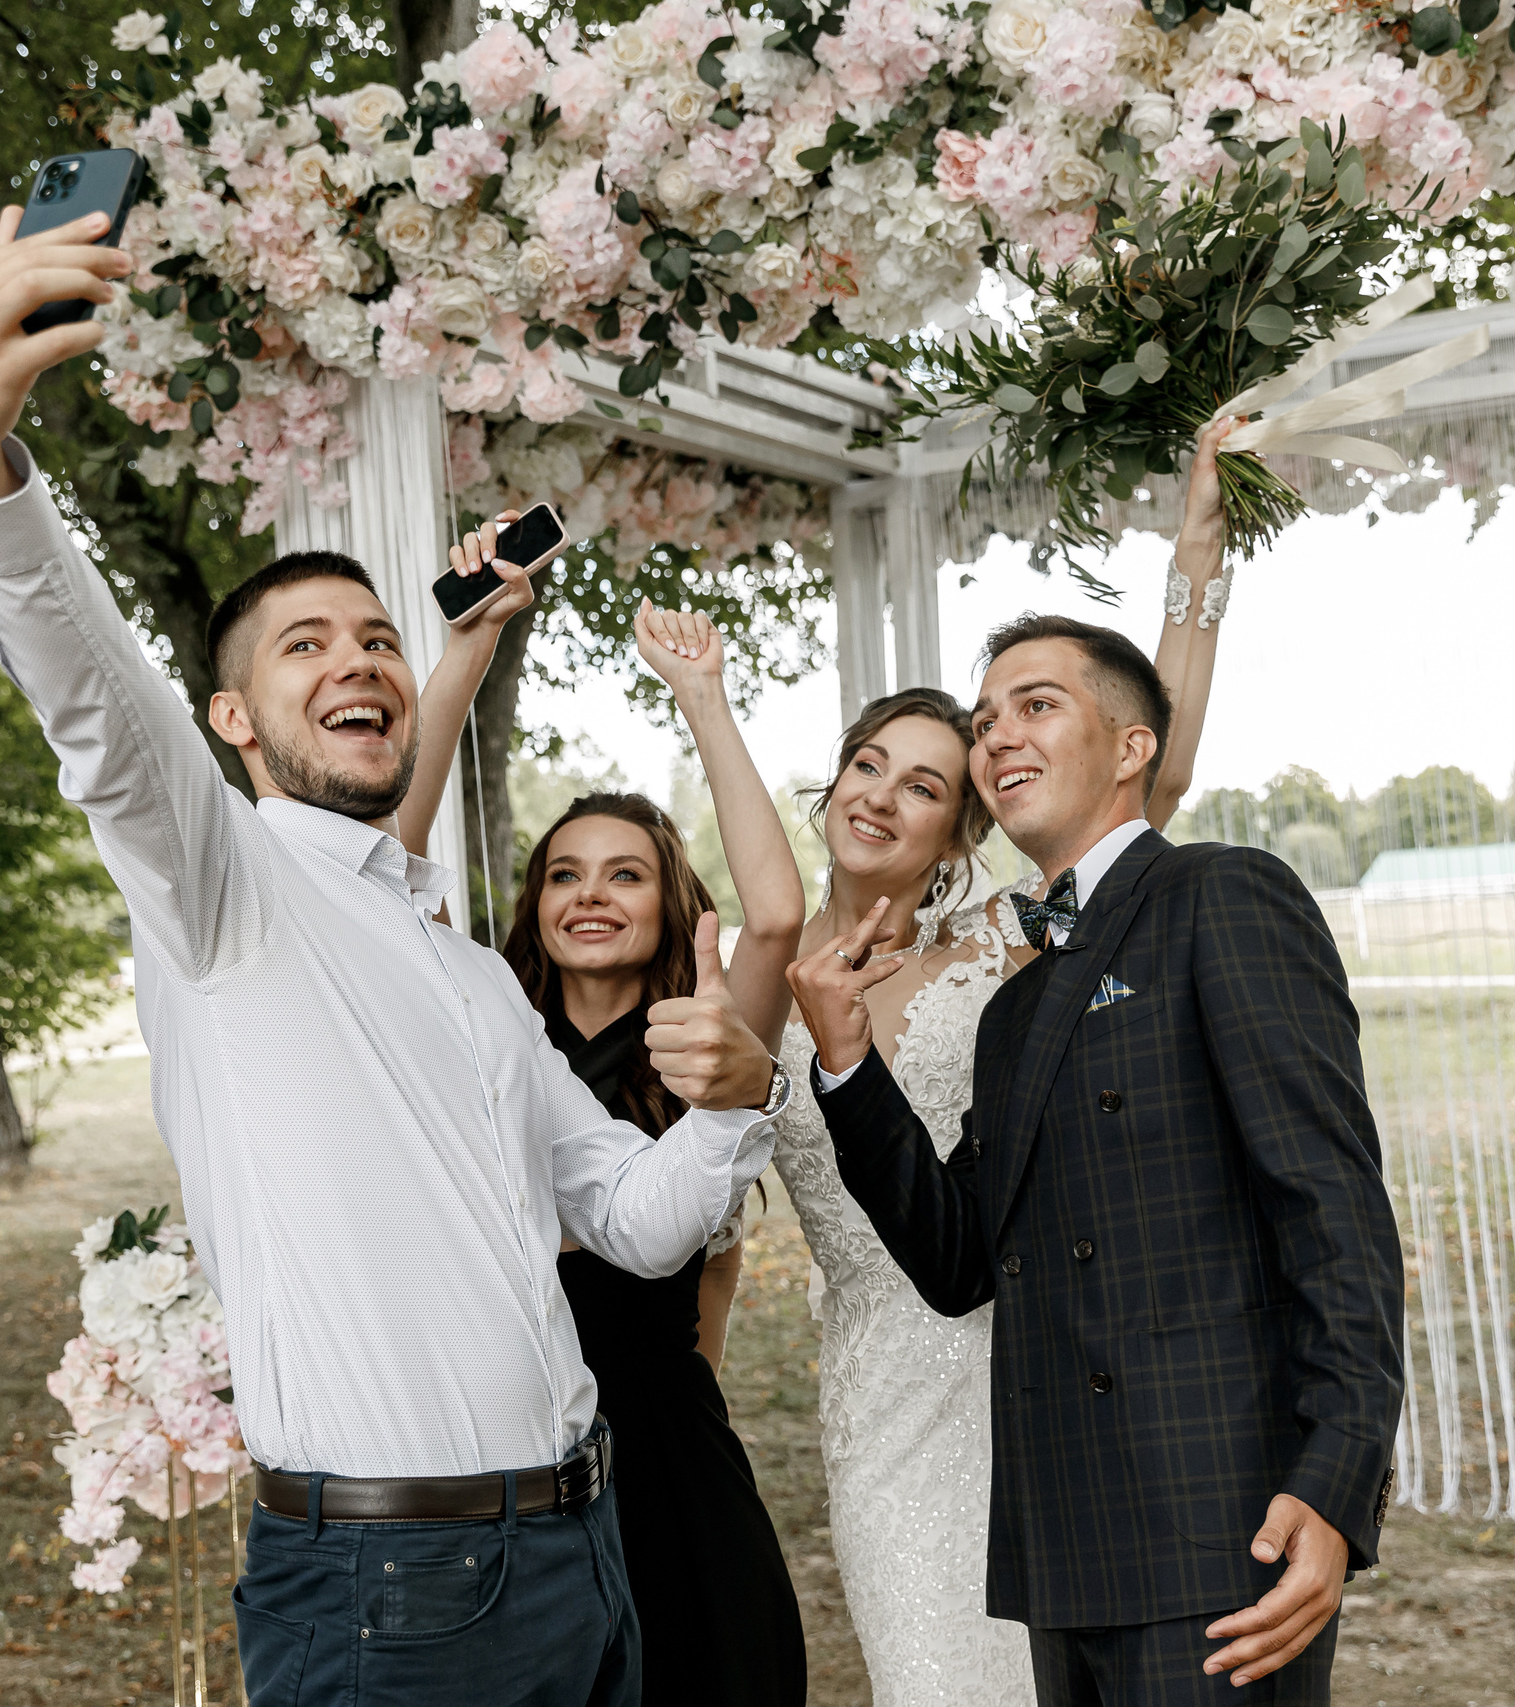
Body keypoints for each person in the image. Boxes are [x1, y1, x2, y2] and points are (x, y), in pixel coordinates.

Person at [0, 207, 795, 1707]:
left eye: (378, 638)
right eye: (306, 645)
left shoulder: (466, 975)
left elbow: (640, 1226)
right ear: (236, 721)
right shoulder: (223, 889)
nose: (360, 659)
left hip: (589, 1553)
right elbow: (98, 699)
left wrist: (726, 1095)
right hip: (393, 1595)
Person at [785, 598, 1405, 1703]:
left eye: (1035, 706)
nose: (998, 738)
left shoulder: (1221, 894)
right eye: (985, 723)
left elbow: (1332, 1209)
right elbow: (956, 1257)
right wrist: (845, 1063)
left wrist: (1335, 1481)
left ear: (1132, 748)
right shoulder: (1011, 1011)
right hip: (1058, 1557)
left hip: (1221, 1530)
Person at [757, 425, 1240, 1707]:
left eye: (924, 783)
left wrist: (1197, 555)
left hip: (1021, 1369)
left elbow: (1158, 767)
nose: (880, 798)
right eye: (865, 767)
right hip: (880, 1392)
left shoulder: (1009, 943)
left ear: (962, 821)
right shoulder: (765, 964)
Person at [411, 591, 811, 1707]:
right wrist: (465, 657)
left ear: (671, 900)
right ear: (532, 901)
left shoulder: (709, 1042)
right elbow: (389, 858)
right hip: (504, 1439)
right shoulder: (475, 1026)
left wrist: (703, 701)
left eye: (624, 873)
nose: (589, 894)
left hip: (665, 1443)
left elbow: (776, 917)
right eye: (563, 873)